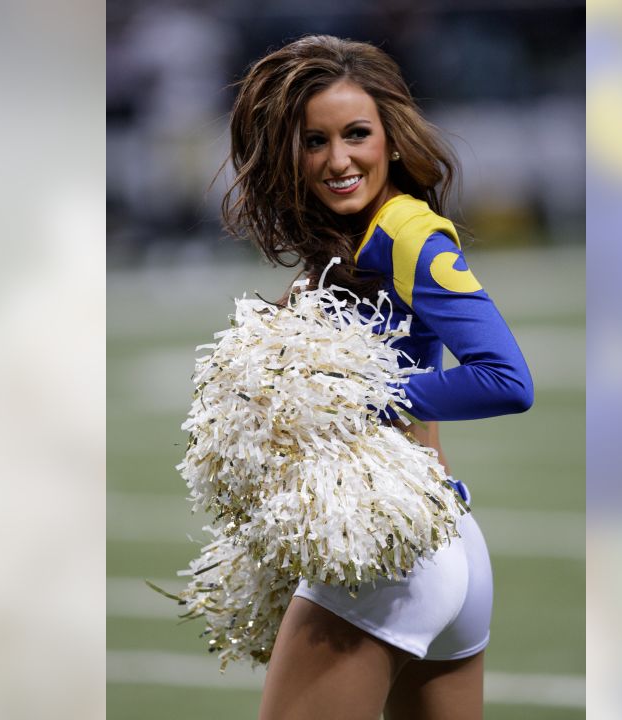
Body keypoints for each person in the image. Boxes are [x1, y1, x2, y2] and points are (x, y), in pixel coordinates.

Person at [220, 35, 533, 720]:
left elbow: (506, 379)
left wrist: (356, 397)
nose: (339, 160)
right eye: (313, 142)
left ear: (391, 139)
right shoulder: (352, 244)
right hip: (432, 538)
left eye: (357, 134)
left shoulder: (407, 234)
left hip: (389, 559)